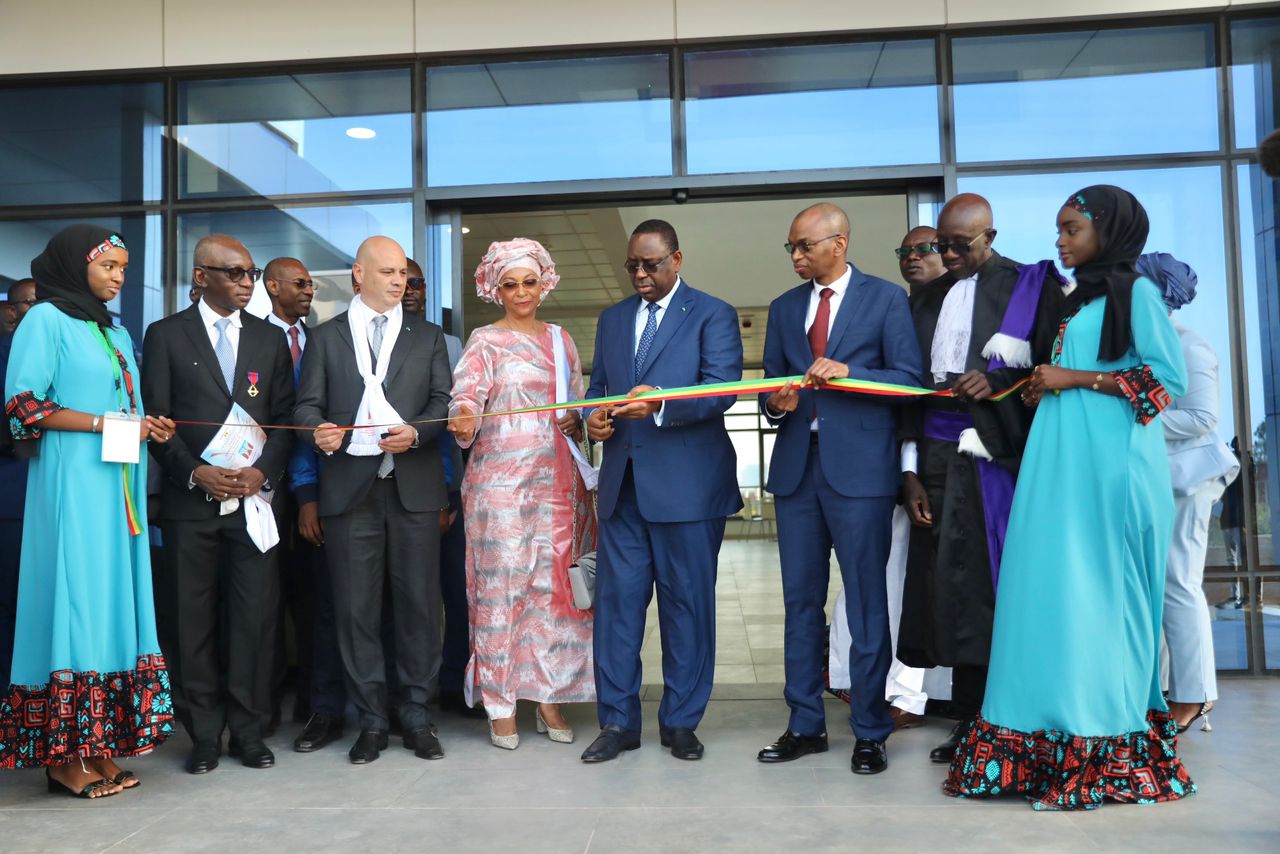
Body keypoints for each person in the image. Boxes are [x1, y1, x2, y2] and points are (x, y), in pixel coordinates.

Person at [946, 185, 1194, 810]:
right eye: (1059, 229)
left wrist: (1072, 379)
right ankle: (1042, 738)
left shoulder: (1135, 292)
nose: (1060, 240)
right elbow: (1083, 378)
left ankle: (1098, 737)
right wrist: (1042, 387)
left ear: (1108, 233)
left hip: (1107, 473)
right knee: (1046, 599)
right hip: (1060, 465)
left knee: (1094, 603)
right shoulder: (1082, 298)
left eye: (1072, 229)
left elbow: (1164, 382)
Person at [1, 225, 175, 797]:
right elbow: (24, 405)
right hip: (71, 481)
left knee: (110, 604)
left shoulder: (115, 333)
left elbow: (127, 406)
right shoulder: (45, 320)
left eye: (125, 268)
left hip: (117, 487)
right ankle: (62, 757)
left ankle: (98, 746)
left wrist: (148, 425)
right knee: (75, 600)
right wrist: (106, 422)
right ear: (78, 266)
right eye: (110, 267)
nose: (120, 277)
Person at [896, 194, 1066, 765]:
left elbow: (1049, 378)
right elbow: (909, 392)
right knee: (950, 594)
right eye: (940, 244)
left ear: (989, 235)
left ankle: (1010, 723)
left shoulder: (1031, 288)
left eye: (958, 245)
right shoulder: (928, 296)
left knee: (997, 590)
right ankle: (969, 723)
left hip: (1002, 458)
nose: (946, 255)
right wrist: (911, 471)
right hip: (938, 460)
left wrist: (997, 388)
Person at [755, 203, 923, 776]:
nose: (796, 256)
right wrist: (776, 405)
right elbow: (770, 391)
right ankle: (804, 724)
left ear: (840, 243)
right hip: (798, 474)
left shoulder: (885, 300)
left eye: (804, 246)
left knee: (868, 604)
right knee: (799, 605)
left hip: (863, 477)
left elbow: (910, 381)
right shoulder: (781, 310)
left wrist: (854, 373)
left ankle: (871, 730)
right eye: (792, 249)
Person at [581, 219, 743, 763]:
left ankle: (680, 722)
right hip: (623, 489)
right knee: (617, 610)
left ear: (678, 259)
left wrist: (663, 403)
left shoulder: (713, 313)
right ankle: (618, 722)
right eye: (633, 265)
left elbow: (722, 389)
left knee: (687, 609)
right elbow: (597, 388)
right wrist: (594, 419)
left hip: (690, 490)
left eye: (650, 264)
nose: (641, 274)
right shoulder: (612, 319)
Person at [294, 235, 453, 765]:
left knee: (418, 609)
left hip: (412, 487)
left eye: (403, 274)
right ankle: (371, 720)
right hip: (348, 490)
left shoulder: (428, 336)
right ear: (358, 274)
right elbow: (306, 406)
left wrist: (419, 432)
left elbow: (441, 403)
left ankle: (416, 716)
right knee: (355, 611)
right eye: (386, 272)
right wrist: (316, 429)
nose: (398, 280)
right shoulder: (325, 337)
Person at [142, 234, 295, 775]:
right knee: (193, 622)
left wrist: (261, 472)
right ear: (201, 275)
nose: (247, 282)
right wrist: (193, 472)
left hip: (254, 505)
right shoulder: (164, 335)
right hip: (192, 507)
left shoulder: (269, 338)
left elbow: (285, 422)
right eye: (234, 273)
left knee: (254, 620)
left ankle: (249, 731)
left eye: (251, 272)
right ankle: (204, 734)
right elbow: (157, 424)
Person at [447, 238, 597, 748]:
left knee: (554, 594)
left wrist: (586, 420)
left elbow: (574, 407)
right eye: (510, 284)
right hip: (499, 489)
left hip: (556, 485)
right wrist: (463, 415)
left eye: (529, 282)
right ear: (495, 288)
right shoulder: (485, 341)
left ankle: (550, 697)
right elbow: (465, 397)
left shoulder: (561, 340)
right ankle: (501, 702)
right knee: (501, 592)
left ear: (544, 283)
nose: (521, 292)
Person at [1135, 252, 1238, 733]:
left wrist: (1130, 419)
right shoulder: (1143, 348)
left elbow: (1202, 418)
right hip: (1155, 477)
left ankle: (1195, 695)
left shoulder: (1189, 345)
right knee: (1155, 587)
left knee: (1179, 581)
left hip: (1189, 479)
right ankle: (1155, 691)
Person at [0, 279, 37, 688]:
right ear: (14, 312)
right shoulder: (5, 355)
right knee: (11, 603)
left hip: (61, 496)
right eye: (33, 302)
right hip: (13, 496)